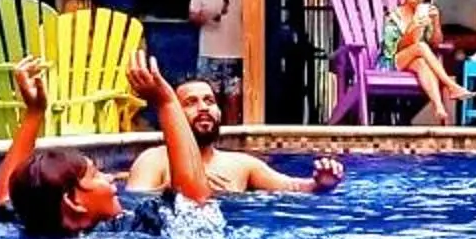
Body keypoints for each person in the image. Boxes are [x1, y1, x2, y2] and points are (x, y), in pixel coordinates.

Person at [0, 54, 213, 239]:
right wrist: (166, 102)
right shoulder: (125, 231)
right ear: (73, 202)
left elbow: (5, 194)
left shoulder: (32, 224)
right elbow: (194, 205)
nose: (110, 178)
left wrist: (34, 112)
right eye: (95, 174)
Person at [125, 75, 345, 198]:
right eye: (191, 103)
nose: (203, 108)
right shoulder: (153, 160)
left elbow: (294, 188)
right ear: (174, 115)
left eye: (209, 101)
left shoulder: (241, 165)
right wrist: (170, 190)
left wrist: (321, 184)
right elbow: (133, 204)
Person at [379, 0, 468, 127]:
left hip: (414, 61)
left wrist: (436, 22)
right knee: (420, 47)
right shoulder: (394, 17)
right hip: (391, 62)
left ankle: (439, 108)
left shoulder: (424, 13)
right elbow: (392, 49)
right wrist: (412, 27)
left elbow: (436, 42)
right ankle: (451, 85)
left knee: (421, 62)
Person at [189, 0, 244, 120]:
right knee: (209, 101)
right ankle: (212, 135)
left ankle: (233, 136)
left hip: (237, 55)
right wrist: (206, 17)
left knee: (234, 101)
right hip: (209, 55)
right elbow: (192, 16)